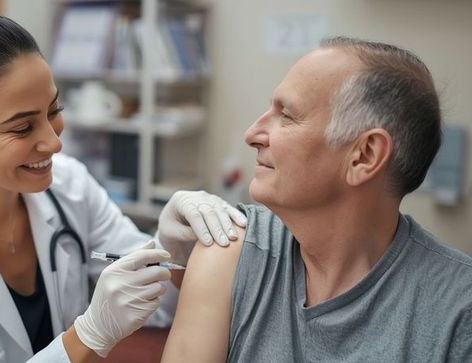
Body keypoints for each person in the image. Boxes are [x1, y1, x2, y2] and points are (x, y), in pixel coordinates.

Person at [0, 1, 247, 362]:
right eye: (22, 127)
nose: (55, 141)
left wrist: (173, 251)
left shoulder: (69, 186)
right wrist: (90, 332)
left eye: (53, 110)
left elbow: (153, 305)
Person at [160, 37, 472, 362]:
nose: (252, 134)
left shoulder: (458, 309)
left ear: (364, 155)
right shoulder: (229, 247)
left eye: (287, 116)